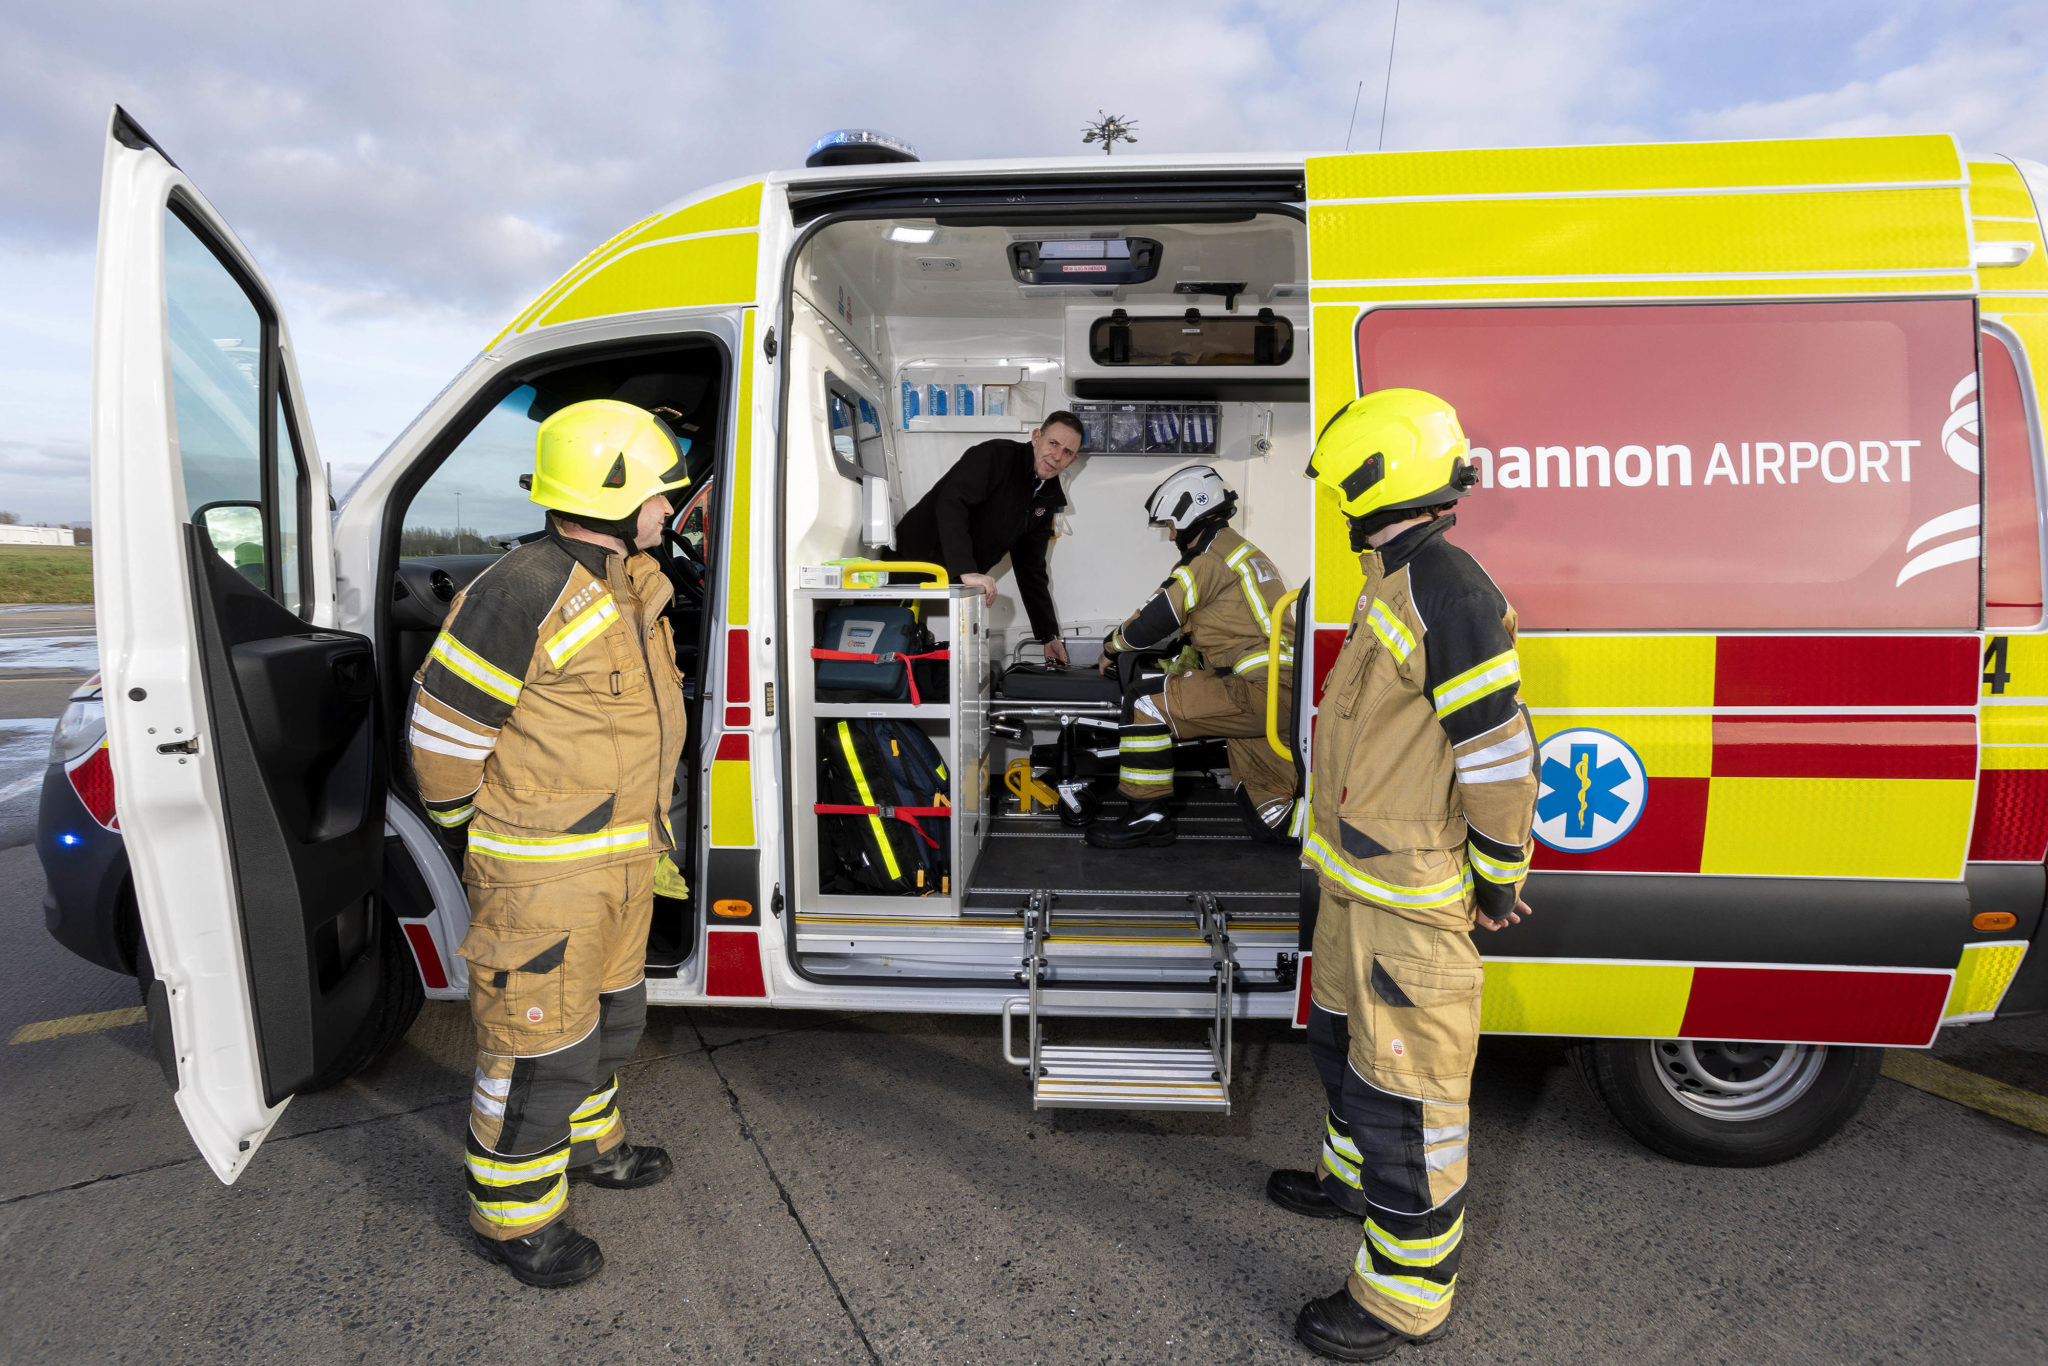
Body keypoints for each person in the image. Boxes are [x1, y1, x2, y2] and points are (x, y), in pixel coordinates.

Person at [1270, 389, 1537, 1361]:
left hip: (1407, 905)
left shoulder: (1446, 591)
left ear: (1372, 473)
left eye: (1339, 478)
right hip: (1355, 889)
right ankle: (1348, 1180)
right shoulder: (1393, 581)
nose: (1335, 497)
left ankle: (1401, 1297)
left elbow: (1497, 756)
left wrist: (1499, 874)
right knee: (1339, 1047)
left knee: (1404, 1097)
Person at [408, 398, 690, 1288]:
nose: (668, 507)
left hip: (621, 861)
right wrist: (470, 838)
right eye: (660, 491)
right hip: (544, 876)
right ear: (614, 491)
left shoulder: (631, 582)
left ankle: (591, 1151)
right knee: (538, 1051)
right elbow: (445, 741)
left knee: (612, 1021)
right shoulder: (523, 588)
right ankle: (514, 1219)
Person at [1085, 465, 1299, 848]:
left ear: (1189, 513)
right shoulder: (1243, 553)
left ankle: (1146, 817)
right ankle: (1337, 827)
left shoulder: (1208, 559)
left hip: (1258, 691)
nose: (1170, 535)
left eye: (1170, 525)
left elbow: (1153, 619)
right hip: (1282, 695)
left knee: (1144, 701)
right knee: (1272, 819)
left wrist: (1110, 648)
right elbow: (1220, 629)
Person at [891, 412, 1081, 664]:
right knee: (888, 633)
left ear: (1072, 460)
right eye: (1053, 443)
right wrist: (967, 570)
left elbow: (1031, 568)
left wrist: (1048, 635)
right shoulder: (996, 456)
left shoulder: (1046, 499)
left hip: (953, 577)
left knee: (909, 645)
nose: (1057, 456)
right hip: (912, 557)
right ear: (1037, 437)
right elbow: (951, 503)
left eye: (1067, 452)